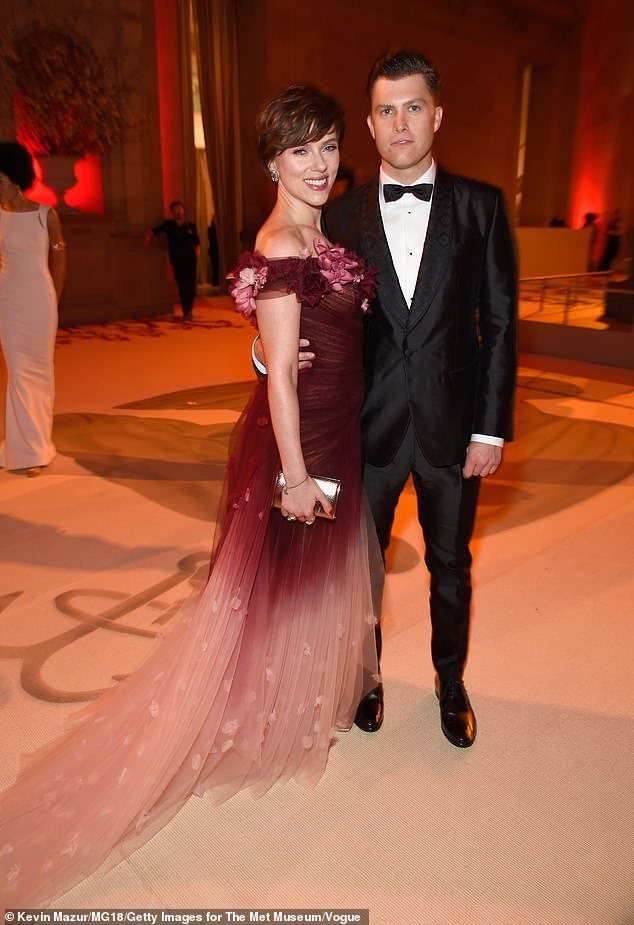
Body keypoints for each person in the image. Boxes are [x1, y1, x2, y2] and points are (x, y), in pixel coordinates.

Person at [0, 85, 379, 908]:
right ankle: (259, 711)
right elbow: (280, 376)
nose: (318, 163)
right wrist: (293, 473)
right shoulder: (281, 242)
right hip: (305, 438)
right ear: (271, 160)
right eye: (300, 149)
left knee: (306, 580)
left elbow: (295, 347)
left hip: (334, 424)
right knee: (279, 581)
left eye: (327, 145)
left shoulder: (322, 230)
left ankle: (293, 703)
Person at [257, 50, 518, 748]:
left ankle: (451, 681)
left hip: (452, 428)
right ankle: (365, 677)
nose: (399, 123)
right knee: (359, 568)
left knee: (451, 565)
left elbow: (498, 323)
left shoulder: (482, 207)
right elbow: (300, 312)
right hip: (365, 428)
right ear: (370, 125)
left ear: (437, 115)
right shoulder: (335, 215)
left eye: (412, 107)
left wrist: (489, 428)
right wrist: (263, 352)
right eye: (384, 110)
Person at [0, 141, 66, 476]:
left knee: (39, 372)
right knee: (18, 371)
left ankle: (36, 447)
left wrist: (55, 297)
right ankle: (24, 449)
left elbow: (60, 257)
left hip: (40, 299)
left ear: (16, 178)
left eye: (0, 179)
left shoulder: (46, 215)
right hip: (8, 300)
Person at [145, 200, 200, 319]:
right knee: (182, 284)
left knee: (191, 284)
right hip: (177, 259)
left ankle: (189, 309)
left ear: (183, 210)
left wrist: (197, 255)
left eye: (180, 208)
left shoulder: (190, 225)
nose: (178, 211)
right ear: (172, 212)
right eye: (175, 209)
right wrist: (148, 235)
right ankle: (186, 311)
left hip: (190, 258)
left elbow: (197, 243)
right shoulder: (168, 224)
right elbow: (156, 230)